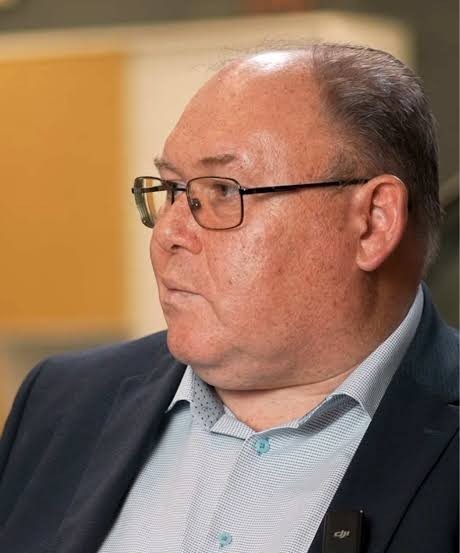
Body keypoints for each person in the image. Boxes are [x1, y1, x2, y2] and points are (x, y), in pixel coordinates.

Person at [0, 43, 458, 553]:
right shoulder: (59, 403)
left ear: (372, 222)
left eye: (222, 192)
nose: (167, 233)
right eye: (172, 190)